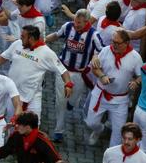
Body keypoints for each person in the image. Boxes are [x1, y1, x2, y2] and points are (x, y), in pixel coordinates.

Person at [44, 8, 103, 142]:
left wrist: (94, 57)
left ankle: (72, 103)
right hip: (63, 69)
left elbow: (102, 49)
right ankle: (59, 131)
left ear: (87, 22)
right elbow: (56, 35)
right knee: (60, 101)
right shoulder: (68, 26)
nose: (76, 25)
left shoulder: (94, 35)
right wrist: (44, 40)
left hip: (79, 73)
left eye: (80, 23)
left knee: (73, 99)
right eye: (76, 21)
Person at [0, 25, 72, 116]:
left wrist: (68, 84)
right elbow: (2, 58)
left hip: (33, 98)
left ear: (31, 38)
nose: (20, 38)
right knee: (11, 123)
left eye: (23, 36)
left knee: (33, 126)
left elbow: (63, 70)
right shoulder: (17, 44)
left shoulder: (47, 53)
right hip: (13, 94)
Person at [87, 31, 143, 146]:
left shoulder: (135, 57)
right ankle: (99, 130)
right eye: (113, 42)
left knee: (118, 134)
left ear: (127, 43)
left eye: (118, 43)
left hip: (120, 100)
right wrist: (102, 76)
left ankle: (110, 160)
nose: (114, 45)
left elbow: (141, 75)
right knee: (91, 122)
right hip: (100, 94)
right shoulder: (106, 50)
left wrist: (136, 82)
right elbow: (95, 68)